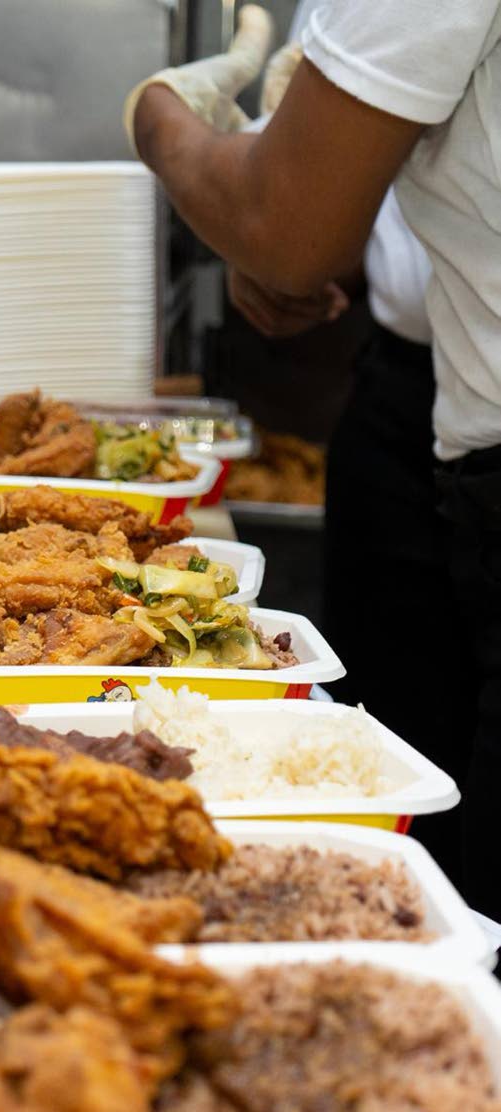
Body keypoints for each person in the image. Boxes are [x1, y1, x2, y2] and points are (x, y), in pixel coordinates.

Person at [125, 2, 501, 918]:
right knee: (426, 826)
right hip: (422, 377)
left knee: (451, 886)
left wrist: (155, 120)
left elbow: (284, 225)